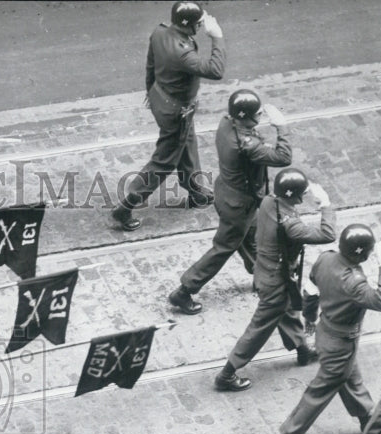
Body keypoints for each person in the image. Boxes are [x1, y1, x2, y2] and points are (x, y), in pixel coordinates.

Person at [269, 224, 381, 434]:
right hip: (341, 342)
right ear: (363, 254)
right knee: (320, 391)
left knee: (349, 376)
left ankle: (367, 417)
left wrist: (309, 317)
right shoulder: (354, 281)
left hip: (327, 332)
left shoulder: (325, 260)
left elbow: (311, 290)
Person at [168, 89, 292, 315]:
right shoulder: (248, 145)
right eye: (258, 113)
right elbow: (284, 157)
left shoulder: (226, 123)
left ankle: (259, 273)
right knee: (225, 246)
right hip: (240, 204)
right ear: (247, 117)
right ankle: (185, 290)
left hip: (228, 193)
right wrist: (281, 126)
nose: (260, 115)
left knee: (253, 233)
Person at [214, 168, 335, 390]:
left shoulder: (270, 202)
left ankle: (302, 350)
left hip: (267, 271)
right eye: (302, 193)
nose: (303, 197)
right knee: (259, 328)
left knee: (287, 309)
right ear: (294, 196)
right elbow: (328, 234)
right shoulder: (291, 224)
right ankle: (227, 374)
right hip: (276, 282)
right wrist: (325, 205)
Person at [110, 1, 225, 232]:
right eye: (199, 23)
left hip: (162, 98)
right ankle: (125, 207)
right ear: (191, 26)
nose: (202, 25)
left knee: (187, 144)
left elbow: (150, 66)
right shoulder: (183, 53)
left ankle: (195, 191)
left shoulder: (160, 31)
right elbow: (216, 70)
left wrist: (151, 93)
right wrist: (217, 37)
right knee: (164, 162)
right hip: (177, 111)